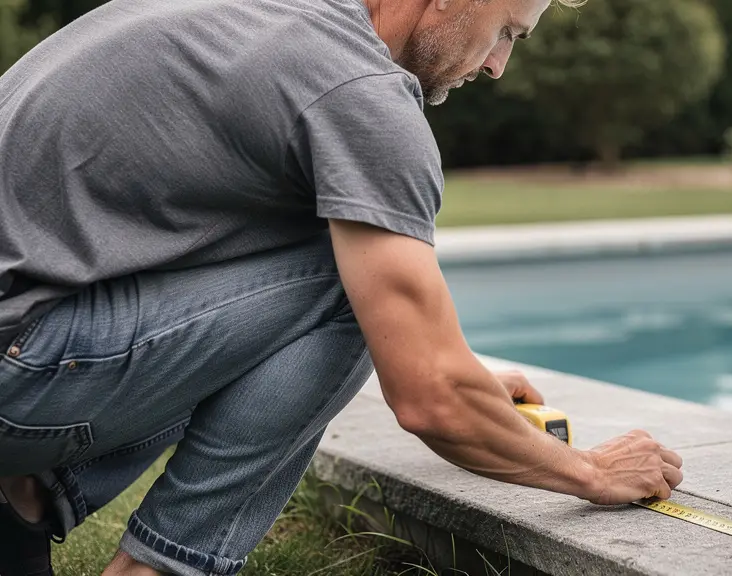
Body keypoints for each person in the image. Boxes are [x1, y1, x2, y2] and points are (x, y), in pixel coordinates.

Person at [0, 0, 685, 574]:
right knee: (346, 280)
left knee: (344, 268)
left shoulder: (263, 20)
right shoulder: (359, 91)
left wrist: (457, 369)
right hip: (17, 371)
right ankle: (159, 566)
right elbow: (429, 398)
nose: (500, 65)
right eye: (508, 31)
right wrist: (591, 474)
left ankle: (22, 499)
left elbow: (195, 272)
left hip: (26, 340)